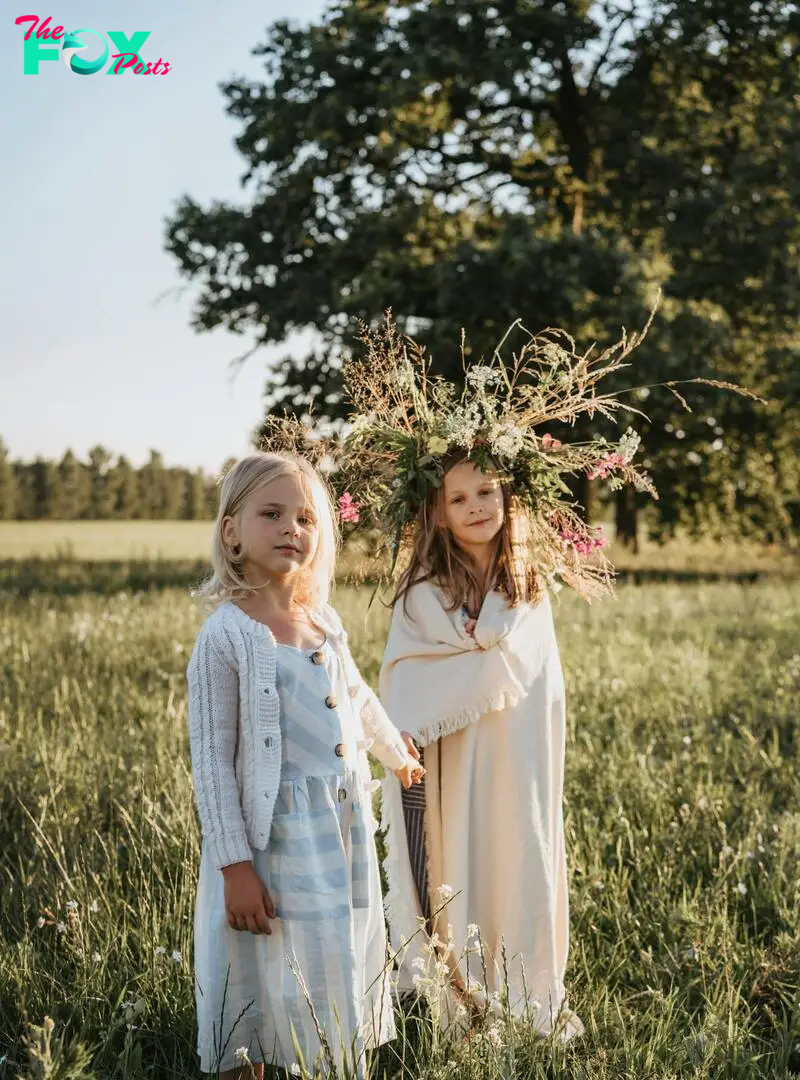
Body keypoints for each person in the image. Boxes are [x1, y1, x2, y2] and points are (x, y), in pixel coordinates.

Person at [186, 451, 423, 1078]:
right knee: (267, 958)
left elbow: (357, 698)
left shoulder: (324, 621)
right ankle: (259, 1060)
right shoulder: (228, 635)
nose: (293, 528)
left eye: (307, 518)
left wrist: (395, 752)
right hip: (273, 836)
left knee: (330, 948)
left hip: (337, 827)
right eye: (273, 514)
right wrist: (235, 866)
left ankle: (330, 1056)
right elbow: (211, 761)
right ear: (232, 531)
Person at [378, 451, 583, 1040]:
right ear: (438, 514)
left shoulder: (527, 585)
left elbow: (534, 676)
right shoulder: (422, 592)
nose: (475, 508)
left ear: (507, 498)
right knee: (456, 863)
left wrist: (480, 657)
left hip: (516, 758)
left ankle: (527, 996)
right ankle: (463, 1002)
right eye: (459, 499)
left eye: (486, 493)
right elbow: (407, 677)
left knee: (516, 858)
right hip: (452, 759)